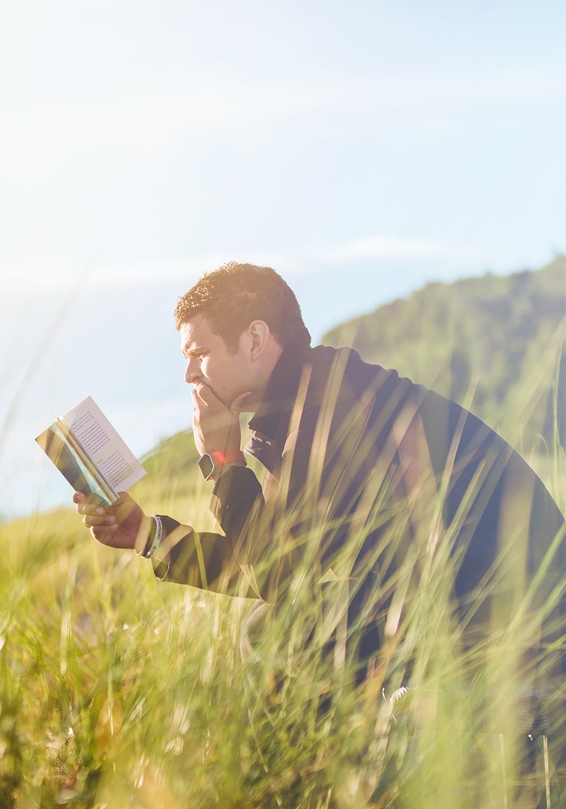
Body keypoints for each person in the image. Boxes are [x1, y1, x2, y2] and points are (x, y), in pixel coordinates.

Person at [74, 261, 565, 709]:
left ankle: (332, 799)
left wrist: (224, 461)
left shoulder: (334, 407)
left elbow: (273, 574)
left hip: (524, 615)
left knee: (276, 633)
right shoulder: (304, 405)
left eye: (198, 353)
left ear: (255, 339)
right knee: (291, 622)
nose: (188, 374)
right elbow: (276, 561)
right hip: (473, 600)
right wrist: (147, 534)